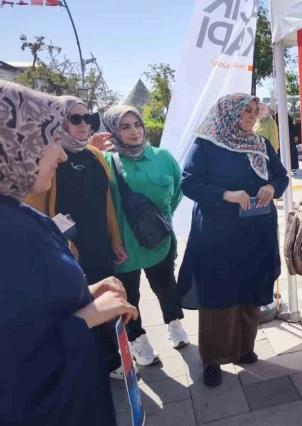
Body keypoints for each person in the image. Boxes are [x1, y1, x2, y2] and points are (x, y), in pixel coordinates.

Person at [0, 81, 138, 426]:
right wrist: (86, 318)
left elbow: (30, 307)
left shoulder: (16, 215)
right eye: (49, 138)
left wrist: (85, 293)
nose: (60, 153)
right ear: (14, 143)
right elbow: (17, 358)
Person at [177, 94, 289, 387]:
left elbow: (281, 177)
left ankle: (243, 347)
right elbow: (189, 183)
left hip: (257, 231)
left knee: (250, 291)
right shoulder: (207, 144)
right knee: (218, 295)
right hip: (219, 235)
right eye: (245, 111)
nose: (252, 116)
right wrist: (226, 195)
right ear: (228, 113)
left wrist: (271, 187)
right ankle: (213, 359)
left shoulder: (260, 144)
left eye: (255, 110)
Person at [25, 96, 128, 379]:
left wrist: (115, 239)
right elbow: (35, 213)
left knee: (104, 301)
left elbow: (106, 201)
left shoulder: (94, 154)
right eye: (75, 118)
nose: (84, 124)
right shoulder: (49, 157)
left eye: (89, 118)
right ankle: (98, 363)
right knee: (80, 304)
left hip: (99, 245)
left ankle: (112, 359)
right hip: (68, 250)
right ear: (58, 122)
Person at [102, 105, 188, 366]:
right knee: (129, 295)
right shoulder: (105, 160)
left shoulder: (162, 156)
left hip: (158, 239)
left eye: (137, 124)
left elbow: (177, 192)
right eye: (125, 127)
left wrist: (159, 221)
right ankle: (137, 339)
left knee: (166, 286)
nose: (134, 131)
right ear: (113, 130)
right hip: (123, 245)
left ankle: (174, 323)